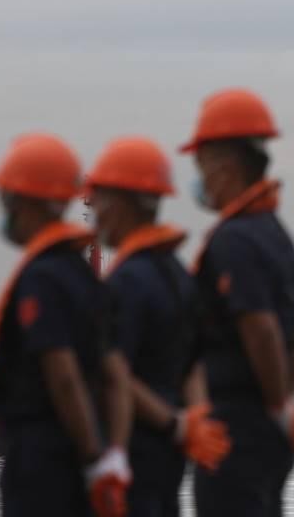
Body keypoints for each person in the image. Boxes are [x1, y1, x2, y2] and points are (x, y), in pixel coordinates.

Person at [0, 133, 132, 517]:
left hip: (42, 459)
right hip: (73, 455)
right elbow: (114, 374)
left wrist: (93, 458)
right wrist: (108, 458)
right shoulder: (82, 277)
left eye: (6, 198)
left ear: (26, 202)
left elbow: (63, 377)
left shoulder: (41, 278)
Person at [180, 89, 294, 517]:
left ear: (225, 164)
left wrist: (277, 406)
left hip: (236, 427)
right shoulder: (277, 234)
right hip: (268, 432)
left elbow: (261, 328)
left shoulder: (234, 241)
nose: (199, 176)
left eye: (201, 163)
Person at [88, 136, 232, 517]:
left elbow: (114, 374)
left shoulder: (127, 282)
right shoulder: (180, 276)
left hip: (137, 447)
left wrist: (169, 427)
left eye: (99, 200)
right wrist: (196, 421)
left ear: (124, 202)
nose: (96, 212)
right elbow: (193, 364)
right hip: (170, 458)